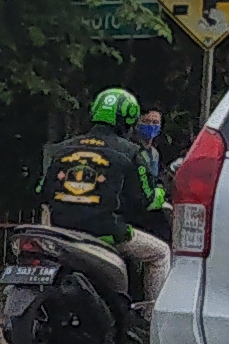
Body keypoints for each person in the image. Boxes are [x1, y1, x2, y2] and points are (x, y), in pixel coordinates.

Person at [40, 86, 172, 311]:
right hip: (108, 232)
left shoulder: (62, 149)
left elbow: (42, 190)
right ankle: (153, 319)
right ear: (129, 119)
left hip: (61, 230)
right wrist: (160, 191)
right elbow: (145, 199)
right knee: (160, 254)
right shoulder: (131, 153)